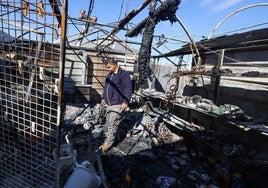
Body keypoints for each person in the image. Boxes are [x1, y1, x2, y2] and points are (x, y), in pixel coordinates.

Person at [99, 57, 132, 152]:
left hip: (118, 103)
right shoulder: (109, 75)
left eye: (109, 67)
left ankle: (107, 143)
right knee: (109, 122)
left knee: (112, 123)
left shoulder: (124, 74)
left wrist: (126, 102)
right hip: (109, 103)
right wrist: (104, 98)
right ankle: (117, 136)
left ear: (114, 65)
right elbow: (106, 87)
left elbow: (128, 89)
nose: (108, 69)